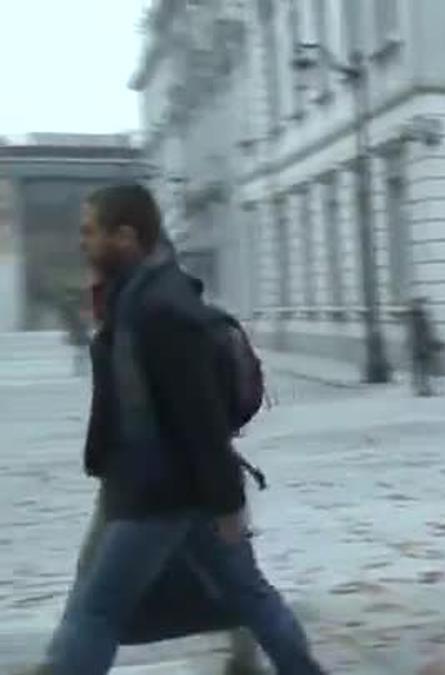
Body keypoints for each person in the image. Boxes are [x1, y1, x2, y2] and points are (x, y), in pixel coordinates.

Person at [37, 184, 325, 674]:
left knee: (97, 610)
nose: (82, 242)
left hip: (159, 494)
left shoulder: (163, 309)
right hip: (162, 487)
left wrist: (229, 503)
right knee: (248, 594)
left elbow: (201, 420)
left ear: (125, 236)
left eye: (91, 232)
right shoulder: (134, 296)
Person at [71, 268, 266, 674]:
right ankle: (250, 656)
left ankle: (66, 663)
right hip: (191, 476)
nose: (90, 303)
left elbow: (111, 413)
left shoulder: (129, 334)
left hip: (148, 479)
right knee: (234, 573)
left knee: (94, 584)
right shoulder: (162, 323)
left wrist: (99, 459)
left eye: (95, 292)